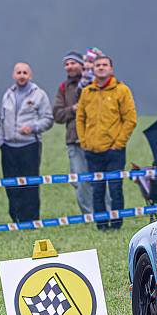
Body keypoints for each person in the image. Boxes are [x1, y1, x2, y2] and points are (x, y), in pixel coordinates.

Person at [76, 55, 137, 230]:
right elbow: (80, 118)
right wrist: (84, 141)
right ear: (92, 69)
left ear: (111, 69)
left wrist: (118, 143)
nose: (101, 68)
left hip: (114, 151)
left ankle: (117, 224)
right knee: (97, 189)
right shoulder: (87, 92)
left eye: (104, 65)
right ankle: (101, 225)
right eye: (98, 65)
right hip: (92, 150)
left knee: (115, 188)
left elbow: (130, 119)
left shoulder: (121, 90)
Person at [0, 62, 53, 222]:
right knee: (11, 185)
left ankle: (31, 219)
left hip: (29, 145)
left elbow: (48, 119)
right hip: (8, 147)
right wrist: (1, 141)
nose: (21, 75)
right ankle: (15, 219)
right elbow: (2, 119)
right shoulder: (8, 94)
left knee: (30, 185)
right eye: (18, 72)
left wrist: (34, 127)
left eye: (25, 73)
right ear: (14, 75)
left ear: (30, 75)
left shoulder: (39, 94)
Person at [53, 51, 93, 215]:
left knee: (98, 179)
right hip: (74, 139)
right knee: (79, 180)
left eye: (73, 63)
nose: (69, 67)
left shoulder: (93, 83)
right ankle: (88, 214)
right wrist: (73, 109)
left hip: (94, 139)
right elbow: (57, 114)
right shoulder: (64, 88)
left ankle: (106, 212)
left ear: (82, 65)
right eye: (66, 64)